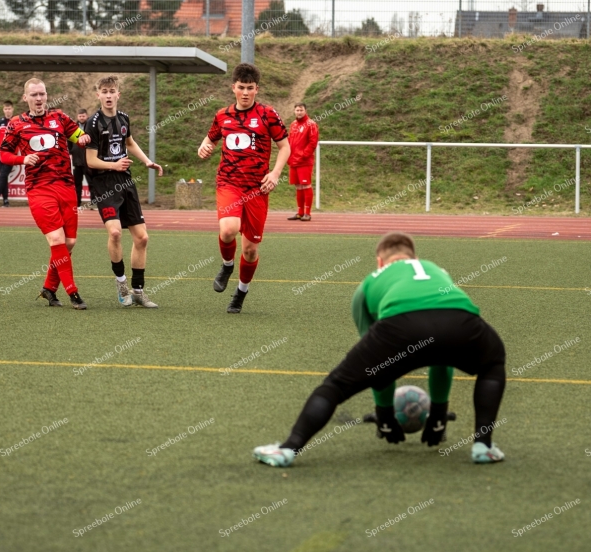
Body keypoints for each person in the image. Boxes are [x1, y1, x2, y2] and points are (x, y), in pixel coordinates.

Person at [253, 232, 507, 468]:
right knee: (492, 364)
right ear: (414, 257)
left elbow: (379, 367)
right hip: (461, 320)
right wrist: (438, 413)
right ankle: (483, 446)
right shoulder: (437, 270)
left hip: (401, 325)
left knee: (335, 386)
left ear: (380, 262)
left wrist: (384, 414)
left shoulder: (369, 283)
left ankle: (287, 449)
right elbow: (442, 355)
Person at [198, 63, 290, 314]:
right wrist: (203, 147)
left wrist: (275, 172)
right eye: (241, 87)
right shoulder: (222, 115)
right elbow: (210, 139)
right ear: (233, 88)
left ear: (257, 89)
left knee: (250, 250)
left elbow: (285, 146)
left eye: (250, 88)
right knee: (229, 229)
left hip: (257, 188)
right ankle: (227, 265)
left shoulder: (268, 114)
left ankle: (240, 292)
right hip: (229, 183)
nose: (246, 92)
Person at [0, 78, 90, 310]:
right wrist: (22, 158)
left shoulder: (59, 118)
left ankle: (49, 288)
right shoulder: (16, 123)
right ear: (25, 97)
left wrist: (83, 138)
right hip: (39, 188)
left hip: (66, 186)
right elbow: (4, 154)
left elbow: (76, 135)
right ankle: (73, 293)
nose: (39, 99)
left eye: (42, 94)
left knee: (69, 242)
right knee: (56, 240)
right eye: (34, 95)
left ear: (46, 95)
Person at [85, 76, 163, 308]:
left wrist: (148, 161)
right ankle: (121, 285)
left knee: (142, 237)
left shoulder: (124, 118)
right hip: (104, 184)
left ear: (118, 94)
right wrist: (114, 165)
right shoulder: (93, 122)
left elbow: (129, 143)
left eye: (112, 91)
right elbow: (90, 160)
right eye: (104, 91)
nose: (108, 95)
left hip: (125, 182)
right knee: (116, 233)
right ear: (98, 95)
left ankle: (138, 291)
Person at [286, 103, 319, 221]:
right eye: (297, 110)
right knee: (298, 186)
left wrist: (303, 155)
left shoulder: (311, 124)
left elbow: (312, 142)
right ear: (294, 111)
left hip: (304, 161)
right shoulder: (293, 125)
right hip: (293, 160)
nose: (299, 112)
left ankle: (308, 213)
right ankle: (300, 212)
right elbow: (289, 141)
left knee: (306, 185)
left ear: (305, 111)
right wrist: (288, 156)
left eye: (301, 110)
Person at [0, 100, 14, 207]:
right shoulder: (0, 122)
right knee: (3, 176)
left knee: (3, 175)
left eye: (9, 109)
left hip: (11, 154)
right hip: (0, 153)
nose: (7, 111)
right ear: (3, 110)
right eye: (6, 109)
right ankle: (5, 200)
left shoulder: (16, 121)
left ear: (12, 109)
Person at [70, 108, 89, 208]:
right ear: (77, 117)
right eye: (80, 116)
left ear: (86, 116)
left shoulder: (90, 126)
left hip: (89, 159)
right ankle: (77, 204)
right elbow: (69, 140)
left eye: (83, 116)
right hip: (77, 160)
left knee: (92, 182)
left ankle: (94, 203)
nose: (82, 118)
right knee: (77, 183)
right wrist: (70, 152)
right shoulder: (73, 126)